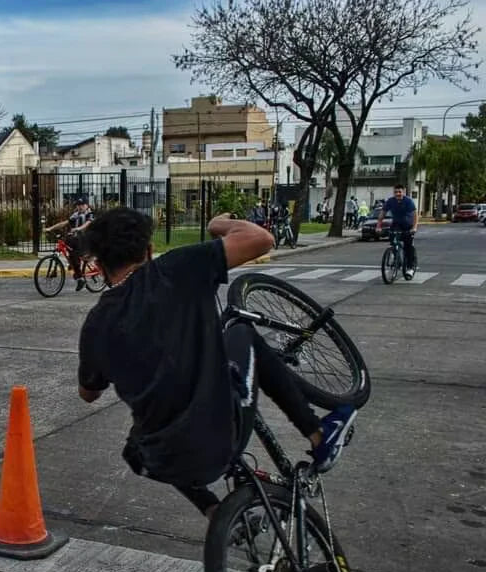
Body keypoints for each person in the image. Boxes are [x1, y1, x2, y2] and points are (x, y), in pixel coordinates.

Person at [76, 207, 357, 521]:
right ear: (149, 249)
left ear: (99, 266)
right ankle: (318, 435)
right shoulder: (178, 267)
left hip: (164, 461)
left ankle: (214, 511)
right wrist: (216, 223)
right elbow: (262, 239)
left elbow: (88, 393)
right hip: (220, 441)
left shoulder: (96, 324)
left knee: (136, 445)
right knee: (242, 334)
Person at [46, 197, 95, 291]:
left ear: (87, 205)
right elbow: (64, 223)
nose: (80, 207)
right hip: (77, 239)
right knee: (67, 241)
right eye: (78, 205)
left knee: (74, 254)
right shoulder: (76, 214)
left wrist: (78, 228)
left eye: (82, 205)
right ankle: (72, 264)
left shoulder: (90, 214)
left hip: (87, 240)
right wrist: (51, 228)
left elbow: (88, 223)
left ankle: (80, 279)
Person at [378, 183, 418, 270]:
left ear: (403, 192)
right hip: (396, 224)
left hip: (407, 225)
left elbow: (415, 215)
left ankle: (410, 267)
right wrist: (378, 226)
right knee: (393, 241)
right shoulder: (390, 201)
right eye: (396, 192)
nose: (397, 194)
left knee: (408, 246)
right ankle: (397, 259)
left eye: (399, 192)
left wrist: (414, 227)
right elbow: (382, 213)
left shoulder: (408, 201)